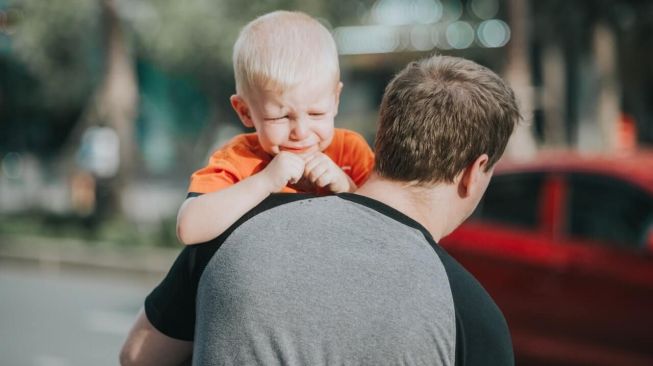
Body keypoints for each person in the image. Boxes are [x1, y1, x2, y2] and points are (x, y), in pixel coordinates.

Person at [120, 55, 520, 366]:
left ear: (384, 136)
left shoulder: (234, 231)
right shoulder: (472, 316)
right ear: (474, 172)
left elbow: (138, 356)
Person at [176, 11, 375, 245]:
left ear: (336, 100)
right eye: (280, 117)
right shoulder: (239, 159)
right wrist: (264, 181)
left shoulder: (350, 151)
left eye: (316, 113)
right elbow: (189, 229)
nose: (300, 132)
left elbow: (389, 228)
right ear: (245, 111)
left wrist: (347, 187)